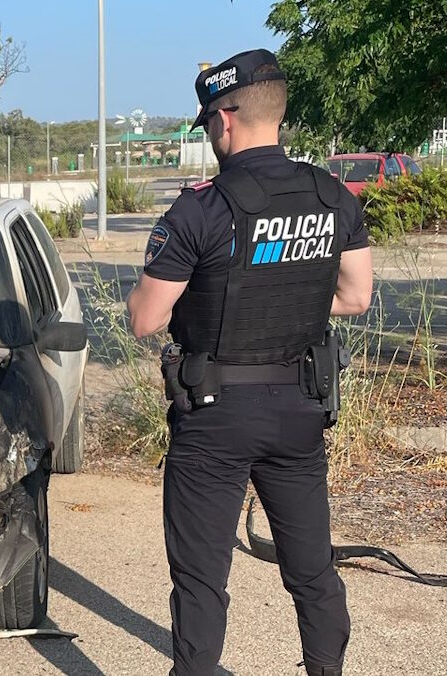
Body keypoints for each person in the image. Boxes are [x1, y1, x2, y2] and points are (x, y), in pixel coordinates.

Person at [126, 49, 373, 676]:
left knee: (202, 578)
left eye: (209, 120)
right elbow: (356, 297)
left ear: (226, 119)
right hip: (299, 410)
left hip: (215, 417)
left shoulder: (199, 210)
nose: (209, 132)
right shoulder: (332, 195)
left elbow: (146, 319)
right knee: (312, 568)